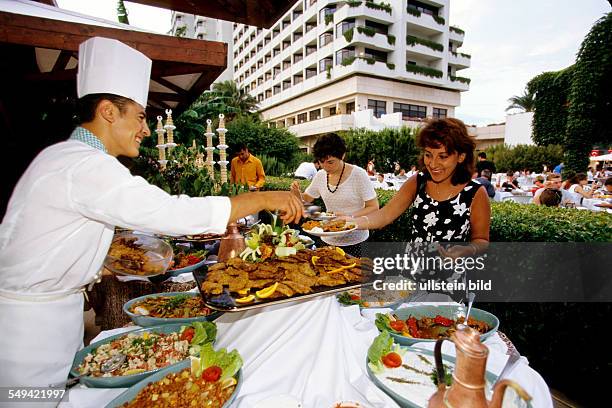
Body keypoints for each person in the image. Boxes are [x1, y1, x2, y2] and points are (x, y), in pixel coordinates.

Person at [0, 37, 303, 389]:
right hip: (30, 333)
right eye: (141, 116)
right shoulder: (85, 166)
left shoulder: (65, 157)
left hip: (49, 317)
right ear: (108, 112)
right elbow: (172, 213)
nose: (146, 129)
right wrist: (264, 199)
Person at [350, 118, 490, 258]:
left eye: (443, 156)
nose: (433, 164)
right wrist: (350, 222)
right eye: (428, 155)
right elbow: (385, 215)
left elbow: (482, 240)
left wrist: (468, 250)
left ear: (461, 156)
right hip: (410, 274)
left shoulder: (475, 192)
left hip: (451, 278)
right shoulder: (419, 181)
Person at [291, 133, 379, 257]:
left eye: (330, 162)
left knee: (355, 274)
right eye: (322, 162)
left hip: (356, 240)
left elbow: (374, 207)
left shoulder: (359, 174)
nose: (325, 166)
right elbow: (306, 199)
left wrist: (348, 216)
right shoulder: (320, 175)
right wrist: (296, 194)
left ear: (342, 155)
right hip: (327, 238)